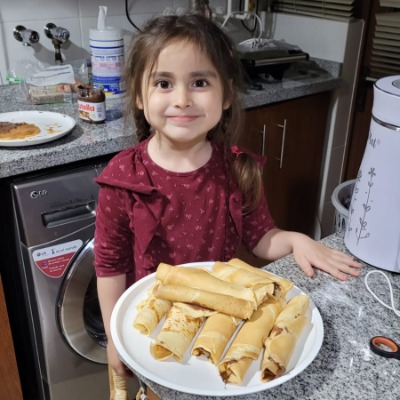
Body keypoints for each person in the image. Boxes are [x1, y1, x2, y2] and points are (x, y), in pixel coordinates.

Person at [93, 14, 363, 379]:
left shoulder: (237, 170)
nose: (183, 99)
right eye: (164, 83)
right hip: (151, 326)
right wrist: (113, 336)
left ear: (227, 95)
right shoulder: (124, 179)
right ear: (140, 96)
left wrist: (296, 240)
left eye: (200, 82)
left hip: (219, 324)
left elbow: (261, 239)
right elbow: (110, 268)